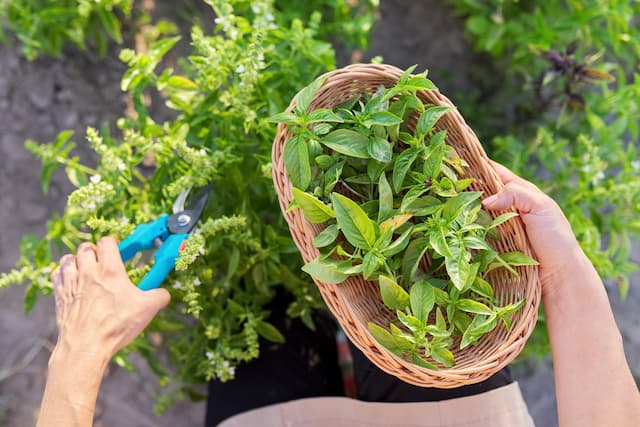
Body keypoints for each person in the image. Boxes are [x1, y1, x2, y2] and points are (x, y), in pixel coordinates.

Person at [36, 161, 640, 427]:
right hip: (460, 418)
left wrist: (79, 353)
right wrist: (561, 270)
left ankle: (280, 273)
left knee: (266, 308)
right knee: (390, 293)